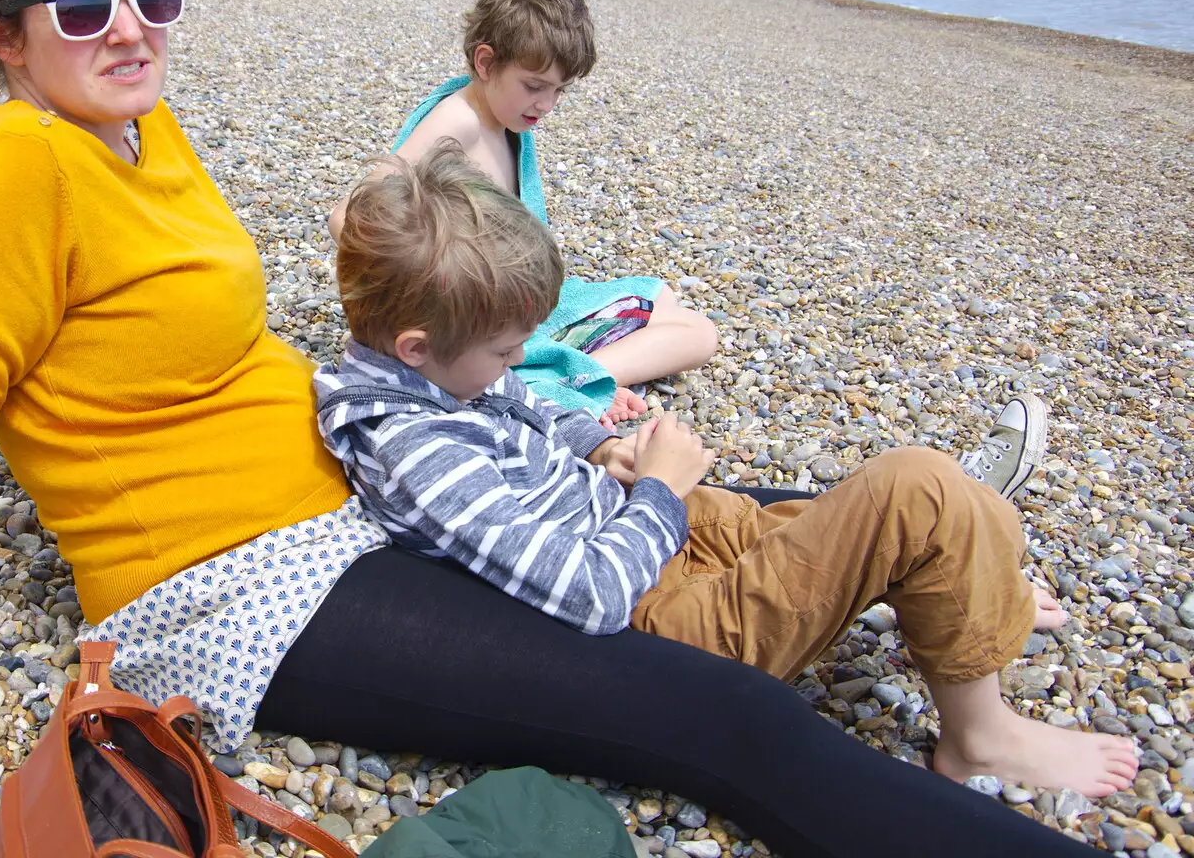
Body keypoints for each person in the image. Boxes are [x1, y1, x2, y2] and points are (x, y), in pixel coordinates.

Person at [0, 0, 1112, 858]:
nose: (130, 28)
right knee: (713, 719)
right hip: (248, 577)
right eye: (83, 6)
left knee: (705, 489)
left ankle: (931, 578)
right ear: (5, 33)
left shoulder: (134, 126)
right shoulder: (3, 174)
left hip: (349, 476)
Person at [318, 145, 1138, 797]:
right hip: (656, 608)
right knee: (913, 491)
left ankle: (968, 590)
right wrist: (662, 492)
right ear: (417, 349)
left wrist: (600, 445)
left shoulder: (433, 377)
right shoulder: (412, 447)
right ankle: (978, 737)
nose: (520, 361)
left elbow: (528, 408)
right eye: (504, 348)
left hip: (646, 527)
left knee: (910, 510)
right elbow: (589, 594)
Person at [330, 0, 718, 427]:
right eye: (535, 85)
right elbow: (349, 217)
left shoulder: (504, 118)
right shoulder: (458, 122)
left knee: (663, 300)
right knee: (699, 335)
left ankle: (553, 371)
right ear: (486, 61)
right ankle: (558, 382)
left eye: (560, 90)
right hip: (477, 322)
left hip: (513, 310)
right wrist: (450, 289)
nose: (548, 104)